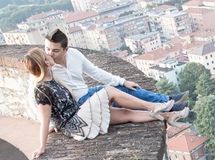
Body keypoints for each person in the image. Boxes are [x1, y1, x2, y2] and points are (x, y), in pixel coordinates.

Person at [24, 48, 189, 159]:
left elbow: (57, 111)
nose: (50, 56)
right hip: (77, 123)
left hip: (79, 115)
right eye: (47, 56)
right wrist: (42, 146)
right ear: (45, 63)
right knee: (109, 90)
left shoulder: (52, 78)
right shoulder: (41, 89)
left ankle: (167, 116)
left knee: (126, 113)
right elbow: (44, 120)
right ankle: (153, 106)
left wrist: (56, 124)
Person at [44, 28, 188, 111]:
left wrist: (123, 81)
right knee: (120, 98)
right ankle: (166, 107)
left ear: (66, 49)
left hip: (87, 93)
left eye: (55, 50)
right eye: (47, 49)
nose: (50, 53)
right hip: (78, 104)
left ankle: (167, 100)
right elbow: (38, 95)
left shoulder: (74, 54)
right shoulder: (44, 67)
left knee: (123, 87)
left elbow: (95, 71)